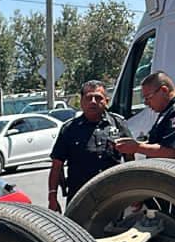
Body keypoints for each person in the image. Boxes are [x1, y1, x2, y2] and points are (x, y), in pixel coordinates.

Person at [47, 81, 130, 212]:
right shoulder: (69, 129)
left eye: (98, 98)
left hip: (114, 196)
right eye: (88, 97)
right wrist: (52, 196)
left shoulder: (118, 124)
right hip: (80, 197)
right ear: (81, 102)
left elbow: (130, 159)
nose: (93, 101)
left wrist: (134, 193)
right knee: (77, 232)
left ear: (106, 101)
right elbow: (57, 165)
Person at [115, 72, 175, 165]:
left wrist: (137, 147)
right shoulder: (168, 111)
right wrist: (131, 145)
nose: (146, 103)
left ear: (164, 90)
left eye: (148, 98)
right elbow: (161, 142)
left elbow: (170, 151)